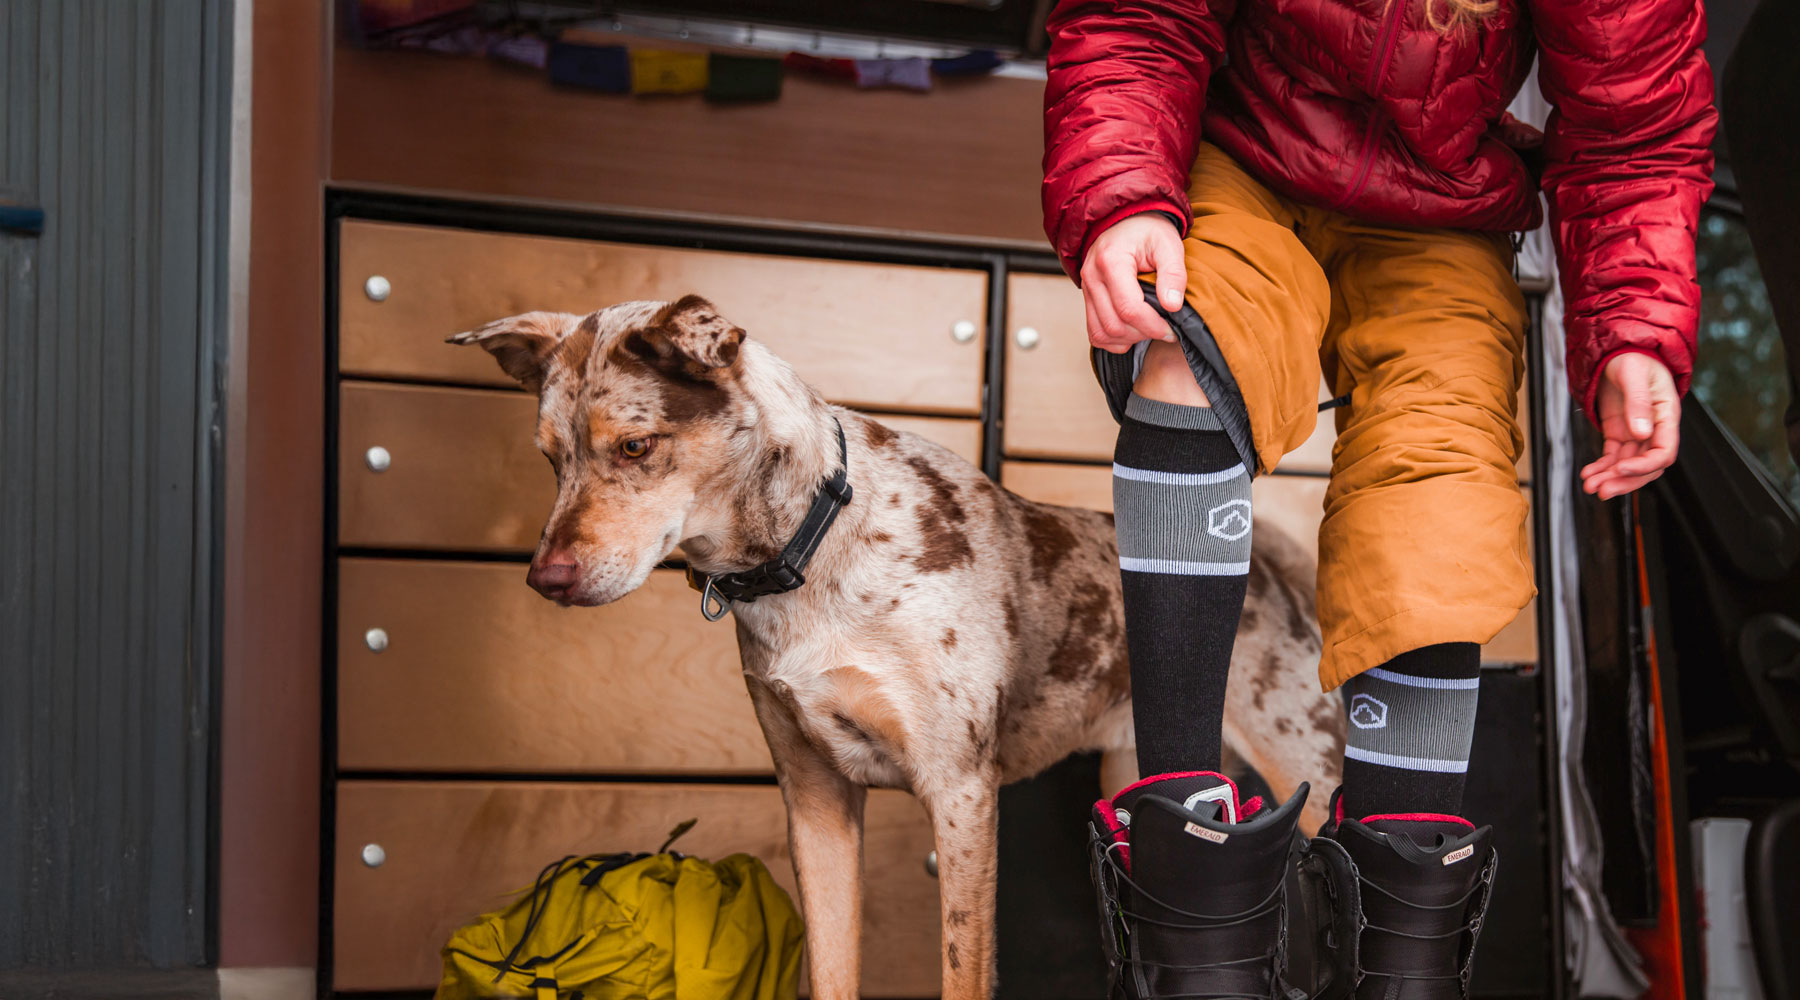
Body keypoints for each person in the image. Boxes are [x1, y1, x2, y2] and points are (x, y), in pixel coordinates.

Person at [1042, 0, 1717, 996]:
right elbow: (1136, 17)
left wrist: (1634, 328)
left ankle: (1403, 964)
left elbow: (1635, 125)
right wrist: (1124, 191)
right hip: (1246, 143)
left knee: (1444, 490)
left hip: (1443, 198)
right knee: (1196, 343)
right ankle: (1189, 925)